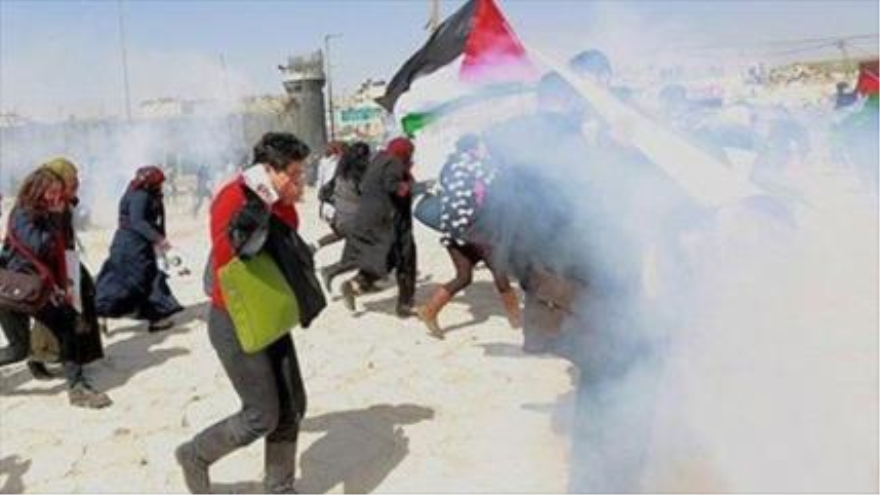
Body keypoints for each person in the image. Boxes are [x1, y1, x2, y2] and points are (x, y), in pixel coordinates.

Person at [176, 132, 315, 495]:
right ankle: (195, 455)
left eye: (302, 173)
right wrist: (262, 204)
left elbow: (285, 243)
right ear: (269, 169)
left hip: (268, 316)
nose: (300, 181)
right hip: (234, 321)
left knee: (292, 406)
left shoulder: (282, 203)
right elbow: (228, 259)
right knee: (261, 416)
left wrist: (282, 200)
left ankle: (280, 487)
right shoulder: (233, 197)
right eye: (294, 174)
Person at [0, 168, 112, 408]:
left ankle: (78, 388)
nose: (56, 197)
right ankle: (77, 387)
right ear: (38, 189)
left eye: (59, 192)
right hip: (17, 289)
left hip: (34, 288)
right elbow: (39, 247)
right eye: (52, 192)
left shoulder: (45, 212)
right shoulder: (23, 213)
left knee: (66, 327)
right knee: (18, 349)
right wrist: (55, 218)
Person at [417, 134, 521, 339]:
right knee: (499, 271)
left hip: (454, 231)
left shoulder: (449, 166)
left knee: (463, 277)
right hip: (475, 230)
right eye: (482, 147)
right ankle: (517, 319)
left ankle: (429, 310)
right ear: (473, 149)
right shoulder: (475, 166)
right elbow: (500, 181)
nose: (484, 151)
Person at [95, 166, 183, 331]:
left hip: (136, 245)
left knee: (143, 279)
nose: (160, 186)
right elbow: (138, 222)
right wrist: (159, 239)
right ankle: (101, 311)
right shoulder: (140, 196)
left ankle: (155, 317)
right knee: (136, 281)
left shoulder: (144, 194)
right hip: (131, 247)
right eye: (158, 183)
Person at [338, 137, 418, 317]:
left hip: (371, 219)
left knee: (387, 257)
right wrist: (412, 186)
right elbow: (393, 186)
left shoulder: (378, 160)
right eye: (410, 153)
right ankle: (405, 305)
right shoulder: (395, 162)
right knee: (406, 258)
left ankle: (355, 284)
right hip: (390, 220)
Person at [316, 141, 371, 291]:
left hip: (340, 220)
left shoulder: (340, 173)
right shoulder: (360, 175)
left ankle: (363, 282)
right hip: (355, 223)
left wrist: (338, 204)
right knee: (363, 257)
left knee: (365, 254)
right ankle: (331, 272)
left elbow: (323, 193)